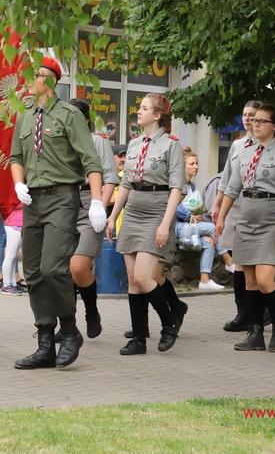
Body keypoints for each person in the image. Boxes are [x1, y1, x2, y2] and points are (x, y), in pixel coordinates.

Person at [10, 56, 105, 369]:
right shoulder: (24, 115)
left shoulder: (69, 115)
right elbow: (15, 157)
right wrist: (18, 183)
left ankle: (70, 330)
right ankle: (44, 344)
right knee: (33, 273)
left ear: (50, 80)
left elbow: (90, 160)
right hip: (32, 201)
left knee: (53, 268)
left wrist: (97, 201)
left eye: (35, 75)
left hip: (62, 198)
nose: (29, 80)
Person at [217, 104, 275, 352]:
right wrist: (221, 217)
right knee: (250, 281)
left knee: (265, 280)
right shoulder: (244, 153)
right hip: (246, 218)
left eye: (262, 121)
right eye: (254, 120)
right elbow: (232, 188)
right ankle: (255, 334)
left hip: (272, 220)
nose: (255, 124)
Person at [107, 93, 184, 356]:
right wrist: (113, 216)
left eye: (144, 108)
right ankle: (138, 339)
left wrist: (165, 224)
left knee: (143, 277)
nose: (138, 112)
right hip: (133, 210)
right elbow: (126, 183)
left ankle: (169, 322)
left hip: (157, 209)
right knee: (132, 279)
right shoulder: (134, 143)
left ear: (158, 115)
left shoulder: (171, 145)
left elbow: (176, 188)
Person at [65, 98, 118, 339]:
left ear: (84, 119)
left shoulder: (97, 140)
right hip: (65, 202)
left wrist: (101, 207)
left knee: (78, 266)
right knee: (64, 269)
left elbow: (110, 177)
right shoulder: (61, 140)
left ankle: (91, 310)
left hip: (90, 201)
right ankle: (67, 324)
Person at [211, 100, 261, 332]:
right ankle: (243, 313)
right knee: (238, 262)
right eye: (245, 114)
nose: (247, 119)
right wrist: (217, 203)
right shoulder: (238, 145)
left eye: (252, 115)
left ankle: (259, 311)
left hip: (256, 209)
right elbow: (227, 177)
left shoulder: (266, 146)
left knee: (254, 264)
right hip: (235, 205)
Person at [176, 147, 232, 290]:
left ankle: (204, 280)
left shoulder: (192, 186)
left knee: (209, 242)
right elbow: (173, 208)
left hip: (191, 226)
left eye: (197, 163)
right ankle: (229, 261)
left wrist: (199, 214)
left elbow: (197, 208)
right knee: (213, 228)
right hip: (177, 226)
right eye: (192, 164)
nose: (196, 166)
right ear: (183, 167)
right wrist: (190, 215)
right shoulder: (178, 185)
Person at [1, 202, 25, 295]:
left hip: (18, 222)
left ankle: (13, 284)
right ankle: (6, 285)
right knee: (10, 256)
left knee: (14, 256)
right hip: (14, 223)